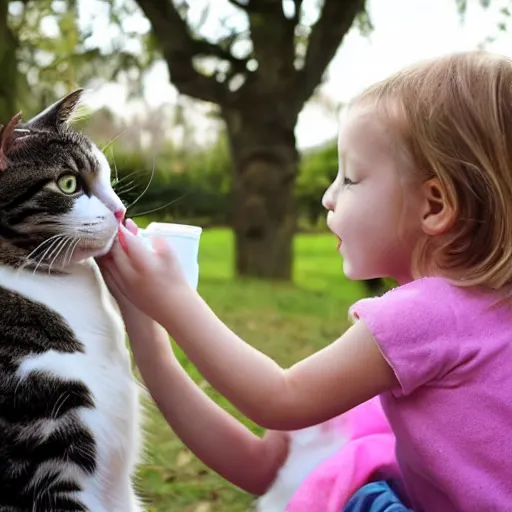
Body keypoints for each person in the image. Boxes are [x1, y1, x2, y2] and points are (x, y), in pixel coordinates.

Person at [99, 50, 512, 511]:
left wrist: (172, 299)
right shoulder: (480, 319)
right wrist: (147, 328)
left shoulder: (425, 318)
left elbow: (279, 398)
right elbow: (263, 467)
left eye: (351, 178)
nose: (328, 196)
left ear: (434, 205)